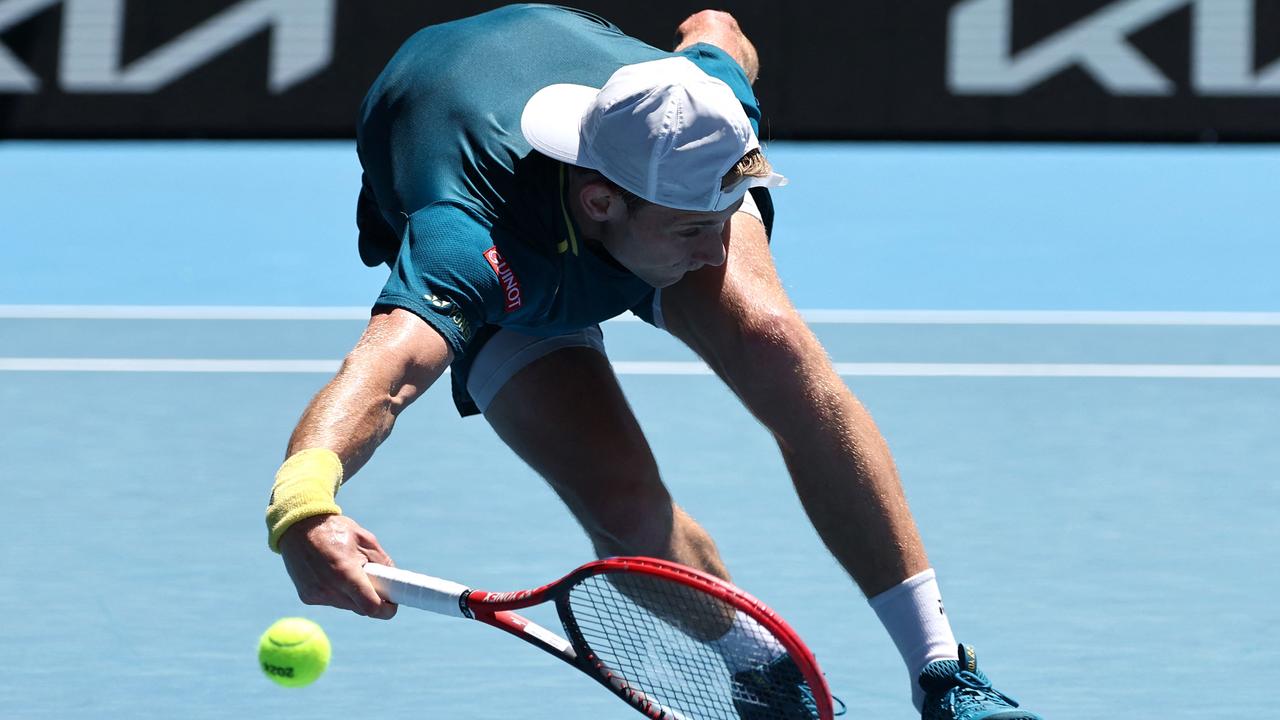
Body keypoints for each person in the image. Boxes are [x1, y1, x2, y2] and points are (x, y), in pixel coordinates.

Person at [264, 5, 1041, 719]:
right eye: (691, 230)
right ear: (604, 200)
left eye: (723, 217)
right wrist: (304, 503)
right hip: (507, 221)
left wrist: (708, 81)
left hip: (591, 123)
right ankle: (762, 671)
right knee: (625, 505)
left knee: (776, 347)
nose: (715, 252)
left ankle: (945, 672)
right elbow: (389, 369)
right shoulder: (468, 240)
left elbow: (718, 27)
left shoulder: (703, 108)